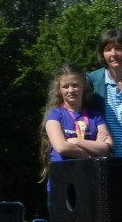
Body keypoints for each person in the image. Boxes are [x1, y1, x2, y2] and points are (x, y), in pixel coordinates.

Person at [40, 62, 111, 214]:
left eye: (75, 85)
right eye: (65, 86)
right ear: (59, 89)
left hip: (89, 183)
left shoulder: (95, 116)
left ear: (83, 86)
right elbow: (61, 147)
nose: (71, 90)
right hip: (62, 184)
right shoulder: (55, 115)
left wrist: (77, 141)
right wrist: (93, 153)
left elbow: (106, 148)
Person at [86, 28, 122, 158]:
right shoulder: (92, 81)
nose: (113, 54)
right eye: (108, 50)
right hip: (107, 161)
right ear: (102, 55)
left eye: (118, 48)